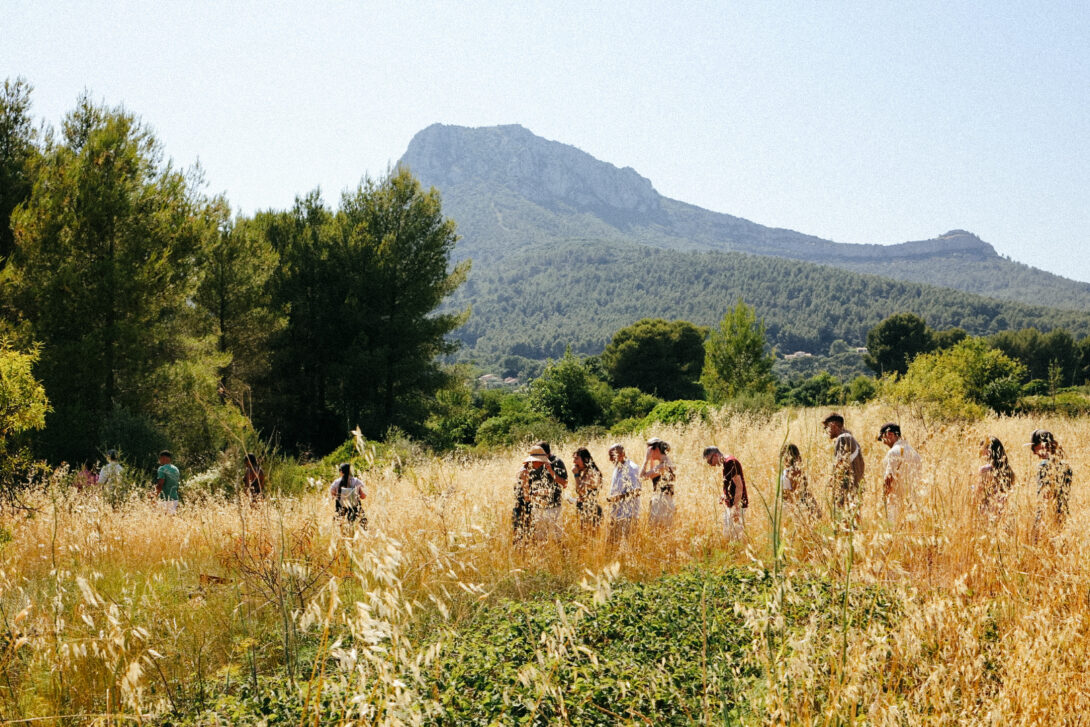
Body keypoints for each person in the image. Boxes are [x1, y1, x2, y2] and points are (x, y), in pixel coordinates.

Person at [1028, 429, 1072, 535]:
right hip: (1062, 515)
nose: (1033, 452)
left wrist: (1037, 525)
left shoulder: (1044, 465)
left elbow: (1044, 497)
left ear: (1042, 445)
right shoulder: (1065, 465)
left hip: (1047, 518)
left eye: (1034, 447)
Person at [877, 423, 922, 524]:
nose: (883, 443)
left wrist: (884, 496)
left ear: (890, 434)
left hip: (896, 500)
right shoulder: (914, 453)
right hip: (913, 500)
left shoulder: (893, 452)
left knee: (894, 531)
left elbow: (889, 477)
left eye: (882, 438)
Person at [823, 413, 865, 518]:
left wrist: (833, 483)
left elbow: (840, 465)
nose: (825, 430)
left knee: (844, 522)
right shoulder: (851, 438)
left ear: (834, 425)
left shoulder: (842, 438)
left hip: (846, 489)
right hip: (855, 488)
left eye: (826, 427)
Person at [704, 446, 748, 540]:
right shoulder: (726, 463)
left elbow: (739, 486)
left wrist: (736, 508)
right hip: (731, 505)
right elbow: (731, 485)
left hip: (737, 506)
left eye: (709, 461)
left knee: (736, 538)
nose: (710, 465)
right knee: (728, 535)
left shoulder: (731, 462)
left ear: (715, 455)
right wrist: (724, 495)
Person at [606, 443, 641, 545]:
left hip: (628, 514)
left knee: (628, 544)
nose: (610, 459)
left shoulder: (632, 468)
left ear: (621, 454)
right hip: (616, 513)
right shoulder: (617, 467)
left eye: (612, 456)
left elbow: (637, 491)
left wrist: (618, 497)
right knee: (613, 544)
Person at [779, 443, 821, 521]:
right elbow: (805, 491)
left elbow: (789, 496)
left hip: (793, 510)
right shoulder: (800, 471)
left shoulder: (787, 473)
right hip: (803, 507)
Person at [641, 437, 676, 529]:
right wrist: (651, 459)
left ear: (655, 449)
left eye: (649, 450)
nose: (648, 453)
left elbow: (642, 477)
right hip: (665, 500)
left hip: (661, 502)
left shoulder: (663, 466)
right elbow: (652, 475)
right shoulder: (666, 462)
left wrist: (646, 459)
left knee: (656, 531)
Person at [976, 436, 1015, 517]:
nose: (980, 451)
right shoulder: (1009, 471)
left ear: (988, 450)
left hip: (988, 512)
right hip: (1005, 512)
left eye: (982, 448)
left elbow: (978, 494)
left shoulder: (984, 470)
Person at [571, 447, 603, 533]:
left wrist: (576, 475)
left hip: (591, 510)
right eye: (574, 459)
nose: (574, 462)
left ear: (585, 459)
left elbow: (581, 490)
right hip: (584, 508)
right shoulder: (585, 472)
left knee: (590, 538)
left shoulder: (592, 473)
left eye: (577, 458)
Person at [330, 462, 367, 527]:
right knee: (363, 523)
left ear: (341, 471)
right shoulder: (356, 481)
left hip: (341, 509)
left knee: (338, 525)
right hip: (355, 508)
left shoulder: (336, 483)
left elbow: (333, 496)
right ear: (350, 471)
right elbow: (363, 496)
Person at [155, 450, 181, 514]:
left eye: (160, 458)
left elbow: (160, 484)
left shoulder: (162, 469)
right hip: (175, 498)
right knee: (171, 521)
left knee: (163, 521)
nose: (159, 461)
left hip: (165, 499)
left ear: (163, 458)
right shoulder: (176, 469)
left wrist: (154, 494)